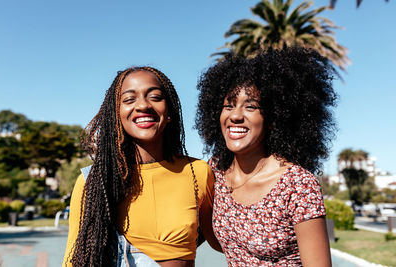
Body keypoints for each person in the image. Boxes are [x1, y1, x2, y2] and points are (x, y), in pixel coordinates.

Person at [63, 66, 221, 267]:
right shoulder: (95, 181)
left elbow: (222, 239)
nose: (143, 106)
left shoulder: (197, 172)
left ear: (170, 111)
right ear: (116, 115)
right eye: (129, 99)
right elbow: (74, 260)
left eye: (155, 97)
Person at [195, 47, 335, 266]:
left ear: (272, 118)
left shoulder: (298, 185)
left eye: (251, 106)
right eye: (228, 106)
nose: (236, 115)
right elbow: (220, 241)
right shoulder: (215, 171)